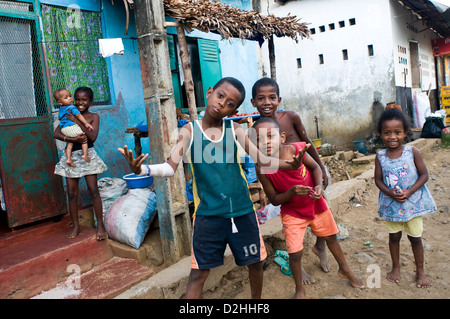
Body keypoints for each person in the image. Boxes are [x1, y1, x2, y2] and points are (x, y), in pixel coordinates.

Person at [118, 77, 305, 299]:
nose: (222, 103)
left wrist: (289, 164)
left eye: (230, 104)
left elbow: (261, 159)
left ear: (234, 110)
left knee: (255, 263)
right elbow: (170, 168)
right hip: (208, 216)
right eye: (220, 96)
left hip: (242, 211)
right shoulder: (189, 130)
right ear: (209, 92)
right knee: (198, 274)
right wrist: (143, 171)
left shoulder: (234, 129)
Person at [250, 117, 364, 298]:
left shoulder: (296, 150)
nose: (265, 142)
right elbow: (274, 199)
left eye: (270, 136)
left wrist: (318, 186)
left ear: (282, 137)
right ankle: (299, 289)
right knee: (295, 253)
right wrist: (292, 192)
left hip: (316, 205)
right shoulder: (261, 167)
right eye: (258, 139)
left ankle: (345, 269)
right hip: (292, 213)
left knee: (331, 238)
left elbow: (316, 168)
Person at [251, 77, 330, 282]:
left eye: (271, 97)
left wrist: (321, 168)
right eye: (261, 98)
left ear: (279, 99)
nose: (267, 102)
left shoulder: (290, 117)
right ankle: (298, 266)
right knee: (292, 225)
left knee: (321, 209)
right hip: (283, 182)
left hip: (307, 171)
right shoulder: (257, 129)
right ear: (253, 102)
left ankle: (320, 246)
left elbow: (307, 142)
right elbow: (260, 161)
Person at [374, 108, 436, 288]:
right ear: (381, 134)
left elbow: (424, 175)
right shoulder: (380, 157)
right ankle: (396, 267)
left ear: (405, 133)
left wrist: (409, 191)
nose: (392, 137)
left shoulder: (413, 152)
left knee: (415, 238)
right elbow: (378, 180)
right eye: (387, 133)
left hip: (412, 205)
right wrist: (389, 192)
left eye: (397, 132)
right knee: (394, 237)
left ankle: (421, 270)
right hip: (392, 204)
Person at [54, 87, 107, 240]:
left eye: (84, 100)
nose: (80, 102)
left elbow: (92, 137)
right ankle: (76, 225)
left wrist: (77, 121)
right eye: (77, 99)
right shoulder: (67, 112)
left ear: (90, 101)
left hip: (87, 155)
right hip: (71, 156)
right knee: (71, 193)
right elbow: (56, 133)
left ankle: (100, 226)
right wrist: (71, 139)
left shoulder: (93, 117)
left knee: (93, 190)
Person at [54, 88, 93, 167]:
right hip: (71, 127)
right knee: (84, 139)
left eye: (70, 96)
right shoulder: (71, 108)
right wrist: (85, 123)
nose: (70, 98)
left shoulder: (61, 109)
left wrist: (71, 138)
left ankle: (68, 159)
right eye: (66, 98)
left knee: (69, 143)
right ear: (60, 102)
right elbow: (78, 115)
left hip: (64, 129)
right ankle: (85, 154)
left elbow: (60, 118)